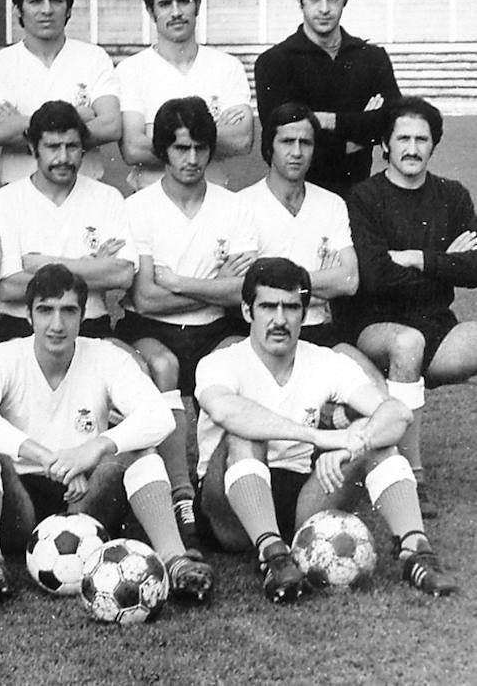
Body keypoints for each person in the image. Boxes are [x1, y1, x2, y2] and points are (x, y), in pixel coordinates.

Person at [196, 257, 457, 601]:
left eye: (291, 307)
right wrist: (319, 438)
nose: (279, 319)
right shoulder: (221, 361)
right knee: (245, 434)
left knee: (378, 441)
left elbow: (396, 413)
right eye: (268, 307)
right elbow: (227, 411)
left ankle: (416, 551)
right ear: (247, 312)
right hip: (228, 508)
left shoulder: (324, 361)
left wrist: (354, 445)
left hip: (300, 494)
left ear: (304, 314)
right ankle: (273, 557)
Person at [0, 264, 214, 604]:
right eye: (45, 310)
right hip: (18, 502)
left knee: (142, 452)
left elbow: (159, 416)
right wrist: (46, 457)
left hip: (86, 497)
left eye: (68, 311)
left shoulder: (106, 357)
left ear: (83, 315)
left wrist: (96, 448)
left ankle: (175, 561)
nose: (57, 324)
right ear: (29, 317)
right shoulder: (2, 357)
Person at [117, 96, 258, 548]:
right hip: (149, 330)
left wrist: (176, 281)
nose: (192, 159)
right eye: (181, 148)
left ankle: (218, 489)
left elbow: (241, 292)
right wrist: (209, 284)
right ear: (163, 151)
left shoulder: (233, 207)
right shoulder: (138, 208)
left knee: (228, 367)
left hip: (216, 327)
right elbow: (144, 297)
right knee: (163, 369)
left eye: (200, 147)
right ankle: (178, 495)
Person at [347, 96, 477, 518]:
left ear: (434, 144)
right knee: (408, 343)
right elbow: (376, 275)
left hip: (439, 326)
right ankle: (410, 474)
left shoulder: (453, 195)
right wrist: (445, 261)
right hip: (377, 327)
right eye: (402, 137)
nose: (412, 147)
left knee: (428, 339)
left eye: (422, 139)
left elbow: (474, 268)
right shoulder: (364, 197)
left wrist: (418, 257)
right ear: (385, 143)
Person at [0, 100, 134, 345]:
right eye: (53, 147)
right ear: (33, 148)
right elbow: (9, 287)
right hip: (21, 329)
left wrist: (43, 264)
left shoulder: (108, 197)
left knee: (137, 372)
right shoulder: (4, 201)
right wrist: (90, 267)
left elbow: (122, 274)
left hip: (91, 326)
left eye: (72, 146)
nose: (63, 157)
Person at [253, 0, 400, 197]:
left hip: (357, 197)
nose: (324, 8)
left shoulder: (372, 58)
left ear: (345, 0)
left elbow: (393, 123)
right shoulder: (274, 62)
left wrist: (329, 121)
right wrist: (360, 133)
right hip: (298, 199)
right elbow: (278, 145)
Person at [0, 0, 121, 184]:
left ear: (69, 8)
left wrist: (22, 123)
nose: (47, 10)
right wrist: (77, 117)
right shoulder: (1, 64)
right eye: (35, 0)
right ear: (18, 9)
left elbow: (111, 125)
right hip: (19, 195)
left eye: (56, 0)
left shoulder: (94, 58)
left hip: (85, 195)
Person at [117, 0, 254, 190]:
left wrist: (156, 134)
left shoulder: (227, 67)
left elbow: (242, 140)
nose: (176, 12)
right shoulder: (131, 70)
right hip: (151, 204)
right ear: (151, 12)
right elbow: (133, 149)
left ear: (197, 6)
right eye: (164, 4)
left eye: (183, 1)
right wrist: (210, 132)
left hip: (215, 202)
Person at [238, 103, 359, 349]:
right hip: (262, 335)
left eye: (305, 143)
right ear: (270, 145)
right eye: (287, 141)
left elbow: (349, 280)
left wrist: (276, 285)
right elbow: (243, 286)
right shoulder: (241, 204)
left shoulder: (332, 204)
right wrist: (320, 284)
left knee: (368, 380)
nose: (296, 152)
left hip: (320, 331)